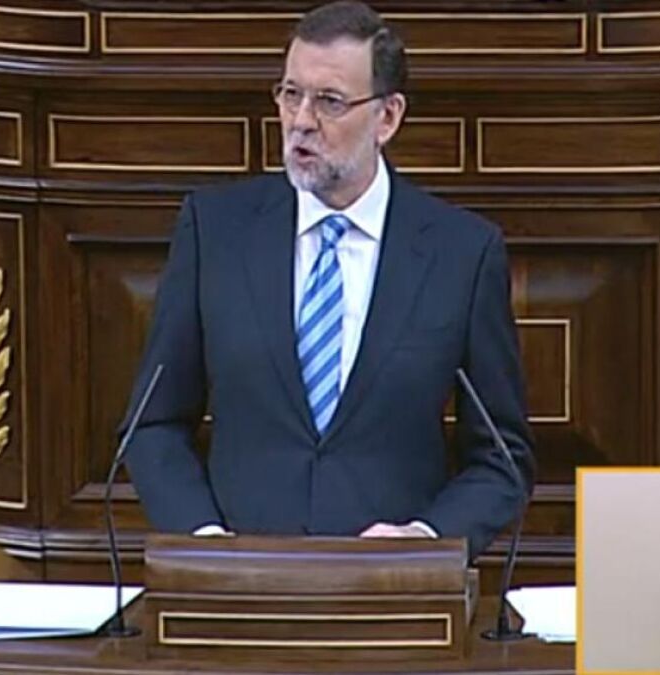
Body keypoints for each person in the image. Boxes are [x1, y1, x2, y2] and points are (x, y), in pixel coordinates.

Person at [121, 0, 535, 559]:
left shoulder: (462, 253)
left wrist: (424, 539)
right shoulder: (215, 231)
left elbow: (502, 458)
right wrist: (207, 543)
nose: (301, 121)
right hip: (238, 583)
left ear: (387, 117)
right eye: (290, 94)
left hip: (391, 589)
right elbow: (154, 425)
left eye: (329, 101)